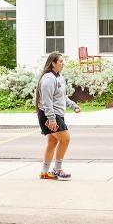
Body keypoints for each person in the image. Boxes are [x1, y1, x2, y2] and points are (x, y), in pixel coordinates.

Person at [36, 52, 80, 181]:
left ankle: (44, 172)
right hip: (50, 115)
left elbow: (62, 96)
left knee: (52, 141)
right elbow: (46, 101)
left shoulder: (59, 77)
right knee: (65, 139)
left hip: (56, 114)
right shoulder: (48, 79)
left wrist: (73, 105)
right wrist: (51, 119)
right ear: (53, 63)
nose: (63, 63)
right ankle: (57, 170)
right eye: (60, 61)